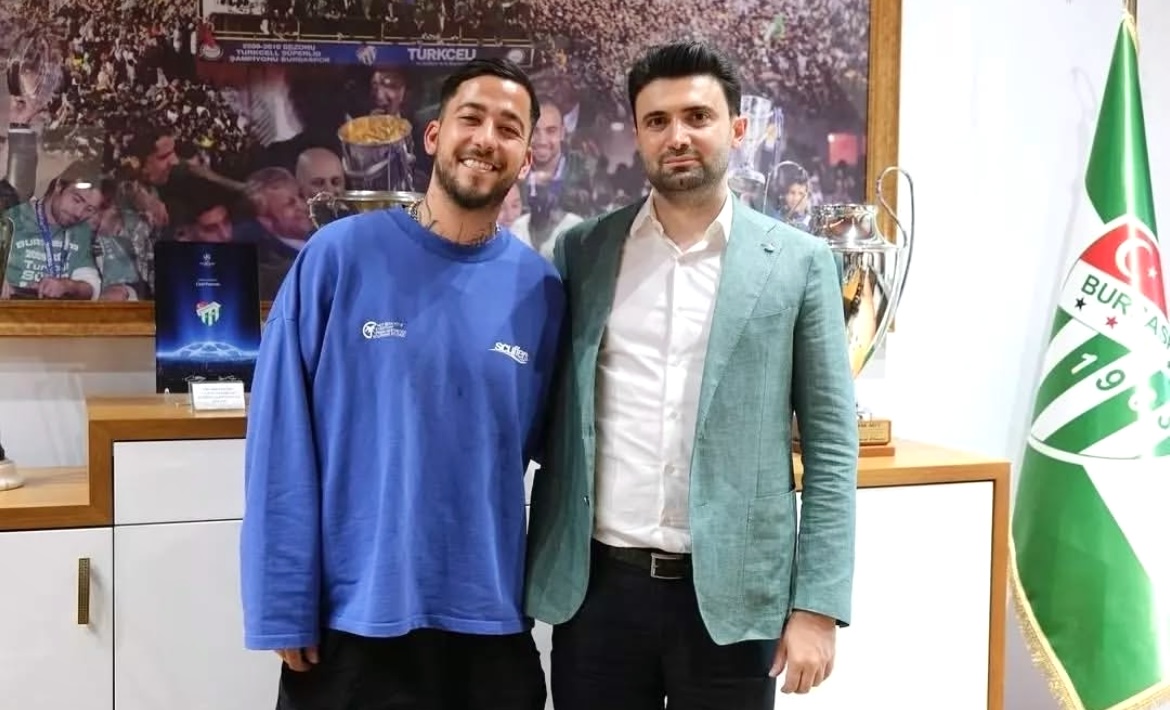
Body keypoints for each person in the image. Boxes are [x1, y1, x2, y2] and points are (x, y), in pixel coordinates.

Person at [524, 41, 859, 709]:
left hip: (735, 601)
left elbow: (829, 446)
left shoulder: (797, 262)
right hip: (599, 595)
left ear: (736, 129)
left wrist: (818, 606)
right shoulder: (584, 250)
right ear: (638, 134)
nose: (677, 136)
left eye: (697, 116)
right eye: (657, 120)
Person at [240, 57, 563, 710]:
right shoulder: (337, 257)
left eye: (509, 128)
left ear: (527, 157)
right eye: (471, 118)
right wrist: (282, 601)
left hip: (489, 624)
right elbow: (280, 441)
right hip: (354, 623)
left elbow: (546, 455)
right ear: (433, 136)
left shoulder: (541, 291)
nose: (486, 139)